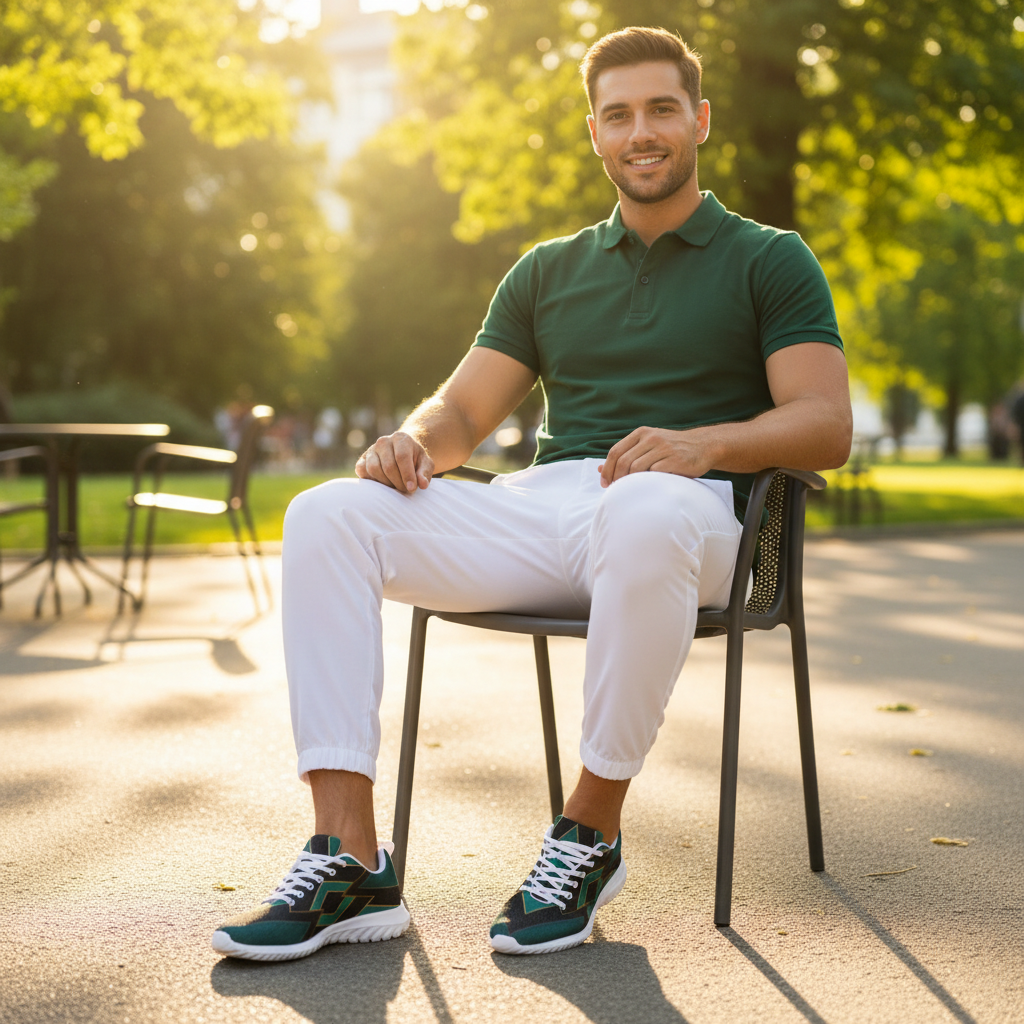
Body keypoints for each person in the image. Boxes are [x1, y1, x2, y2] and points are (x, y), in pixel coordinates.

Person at [212, 26, 852, 962]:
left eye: (662, 110)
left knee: (644, 507)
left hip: (702, 517)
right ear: (593, 132)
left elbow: (825, 424)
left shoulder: (768, 257)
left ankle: (587, 833)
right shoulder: (547, 270)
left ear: (699, 121)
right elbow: (462, 414)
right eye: (619, 114)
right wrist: (412, 441)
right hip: (549, 507)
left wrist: (700, 443)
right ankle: (349, 860)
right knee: (326, 514)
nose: (642, 131)